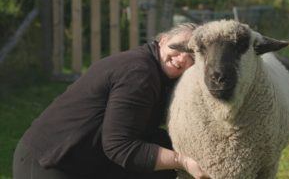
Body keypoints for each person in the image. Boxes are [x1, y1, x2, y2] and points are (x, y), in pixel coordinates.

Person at [13, 23, 210, 179]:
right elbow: (120, 146)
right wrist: (183, 161)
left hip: (86, 162)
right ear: (162, 40)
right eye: (178, 47)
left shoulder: (161, 78)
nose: (183, 58)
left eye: (192, 56)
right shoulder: (139, 72)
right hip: (50, 162)